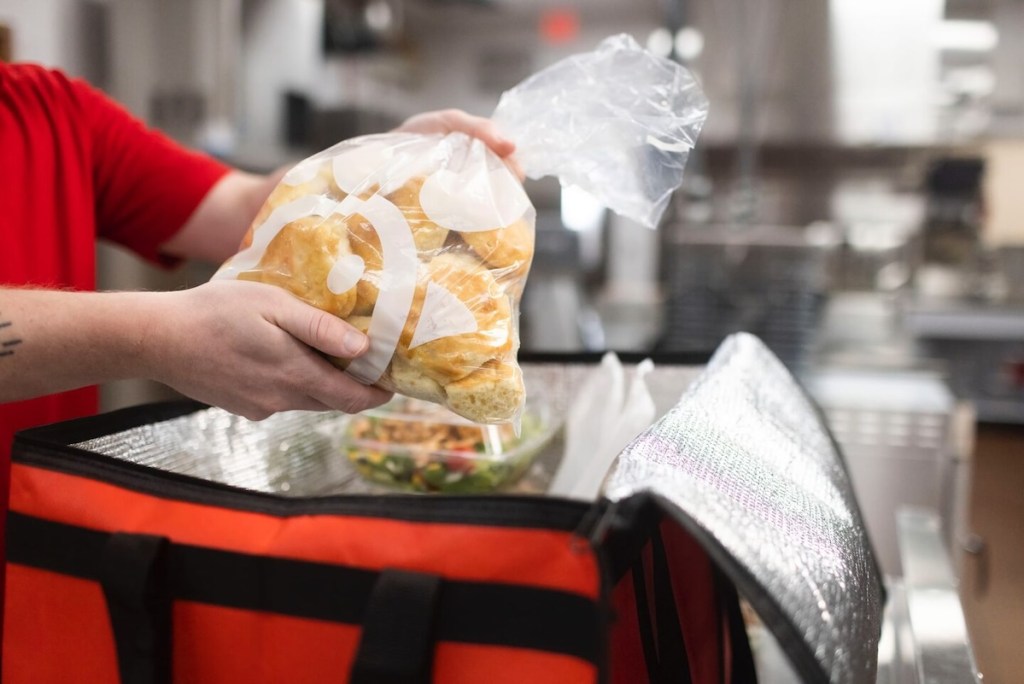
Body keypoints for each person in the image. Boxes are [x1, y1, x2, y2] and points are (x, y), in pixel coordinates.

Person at [0, 61, 517, 625]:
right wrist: (154, 335)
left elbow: (250, 213)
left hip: (40, 553)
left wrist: (382, 171)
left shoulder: (44, 107)